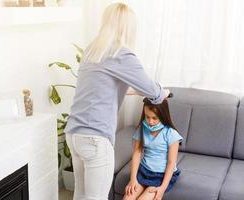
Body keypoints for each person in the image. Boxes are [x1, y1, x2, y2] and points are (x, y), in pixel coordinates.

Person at [64, 2, 170, 200]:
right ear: (128, 27)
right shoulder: (121, 53)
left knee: (81, 195)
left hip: (74, 134)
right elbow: (153, 91)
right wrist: (163, 92)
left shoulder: (92, 51)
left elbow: (102, 87)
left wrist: (133, 92)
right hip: (95, 138)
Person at [123, 98, 183, 200]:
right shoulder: (142, 129)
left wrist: (162, 188)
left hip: (161, 176)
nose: (150, 121)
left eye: (155, 118)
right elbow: (137, 153)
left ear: (163, 116)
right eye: (147, 117)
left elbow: (171, 162)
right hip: (144, 171)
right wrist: (133, 179)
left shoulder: (171, 134)